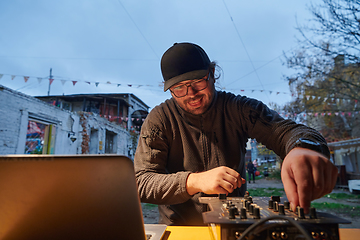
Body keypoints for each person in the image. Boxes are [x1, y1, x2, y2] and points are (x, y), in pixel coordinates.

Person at [134, 42, 338, 226]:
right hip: (179, 229)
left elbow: (289, 132)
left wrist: (302, 147)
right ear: (169, 89)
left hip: (234, 226)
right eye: (179, 88)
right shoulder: (159, 119)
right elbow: (140, 182)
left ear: (212, 73)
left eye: (198, 82)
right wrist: (194, 181)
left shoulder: (239, 109)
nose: (191, 94)